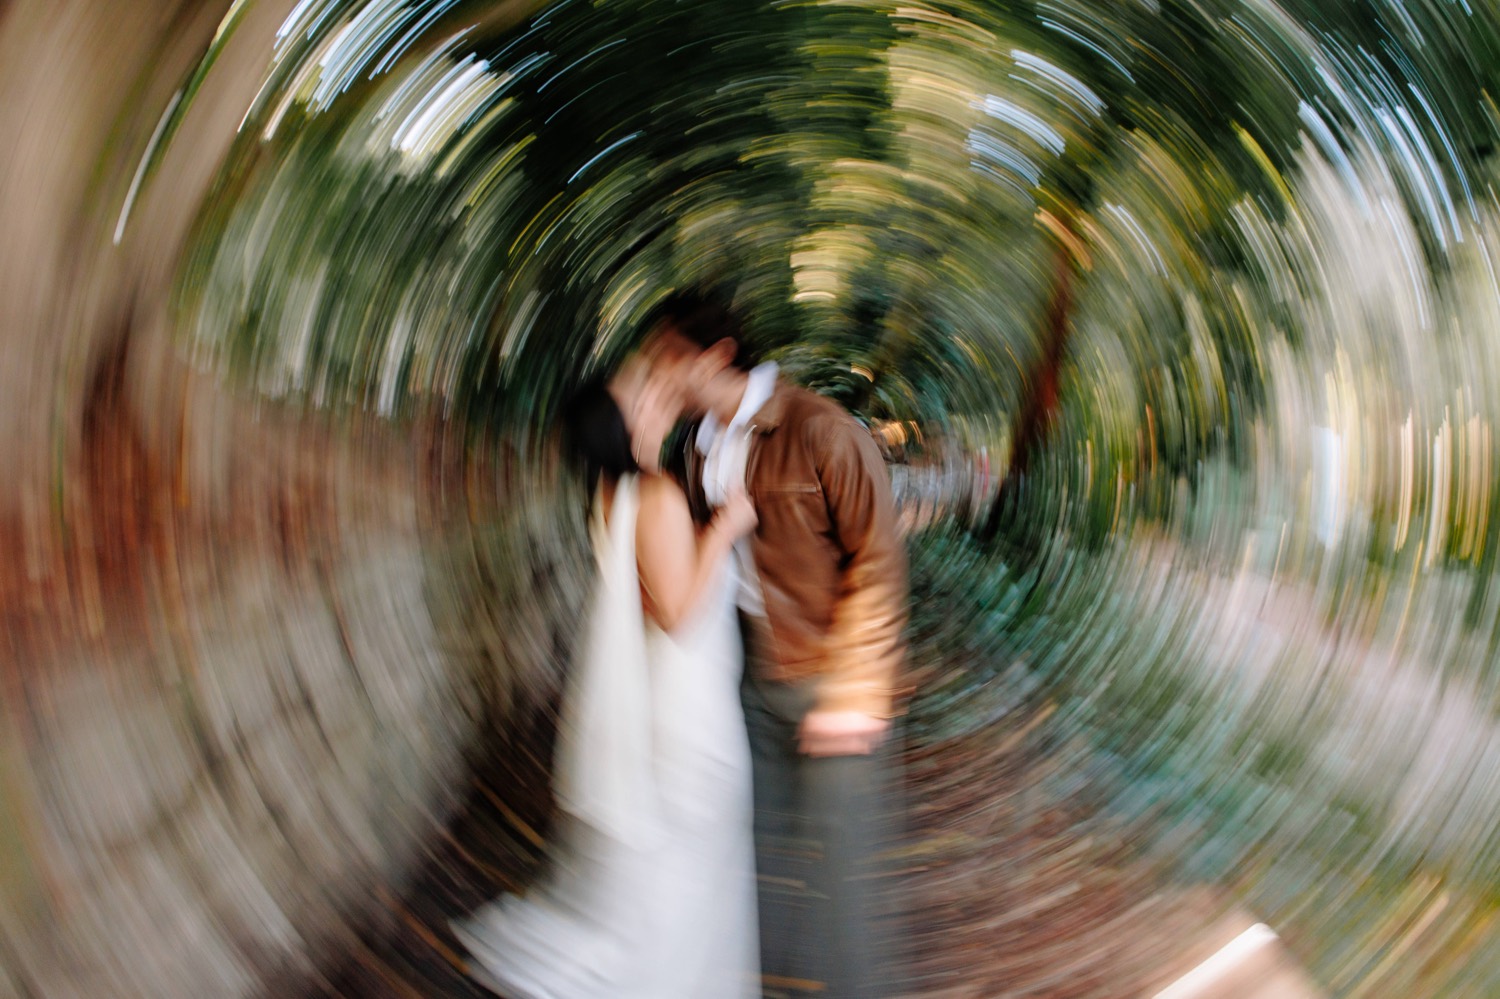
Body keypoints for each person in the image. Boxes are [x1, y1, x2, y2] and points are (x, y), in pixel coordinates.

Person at [452, 354, 760, 998]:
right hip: (687, 701)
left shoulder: (612, 493)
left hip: (662, 697)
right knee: (688, 875)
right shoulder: (657, 495)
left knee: (671, 874)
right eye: (638, 398)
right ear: (625, 427)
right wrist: (725, 528)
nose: (652, 397)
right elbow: (676, 612)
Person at [646, 291, 909, 998]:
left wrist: (856, 691)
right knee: (751, 869)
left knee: (841, 881)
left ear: (717, 355)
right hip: (751, 684)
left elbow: (877, 559)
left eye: (670, 357)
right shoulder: (695, 445)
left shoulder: (819, 429)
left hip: (831, 685)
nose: (661, 373)